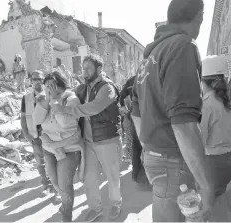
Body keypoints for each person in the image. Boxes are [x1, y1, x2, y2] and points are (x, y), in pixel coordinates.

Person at [131, 0, 215, 222]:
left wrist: (151, 147)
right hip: (171, 160)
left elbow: (135, 112)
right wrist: (207, 186)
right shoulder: (183, 45)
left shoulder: (149, 57)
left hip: (154, 156)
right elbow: (184, 124)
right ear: (199, 17)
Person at [52, 54, 123, 221]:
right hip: (89, 142)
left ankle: (115, 204)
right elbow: (68, 96)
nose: (84, 72)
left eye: (88, 68)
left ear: (99, 69)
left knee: (112, 176)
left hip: (107, 140)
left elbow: (94, 108)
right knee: (90, 178)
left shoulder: (108, 88)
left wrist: (65, 110)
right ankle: (95, 208)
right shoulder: (83, 89)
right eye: (83, 69)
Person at [33, 70, 84, 222]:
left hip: (69, 149)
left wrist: (55, 101)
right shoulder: (45, 99)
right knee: (55, 182)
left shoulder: (71, 99)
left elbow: (65, 123)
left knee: (64, 184)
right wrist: (44, 102)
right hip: (49, 149)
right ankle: (64, 203)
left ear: (61, 85)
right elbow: (36, 120)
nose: (49, 89)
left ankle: (67, 214)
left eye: (52, 85)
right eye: (46, 86)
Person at [200, 55, 231, 197]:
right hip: (228, 160)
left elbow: (200, 141)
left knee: (209, 207)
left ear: (203, 82)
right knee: (218, 199)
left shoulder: (206, 105)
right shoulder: (228, 103)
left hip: (212, 164)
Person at [20, 70, 55, 196]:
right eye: (34, 79)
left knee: (52, 159)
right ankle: (46, 184)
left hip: (49, 134)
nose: (38, 81)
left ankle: (55, 186)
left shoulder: (50, 95)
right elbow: (23, 118)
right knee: (40, 162)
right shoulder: (26, 98)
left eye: (40, 79)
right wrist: (26, 134)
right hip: (35, 135)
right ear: (30, 81)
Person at [119, 76, 150, 191]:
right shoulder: (150, 74)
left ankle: (137, 176)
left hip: (135, 116)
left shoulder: (131, 80)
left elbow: (120, 96)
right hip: (147, 117)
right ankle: (146, 179)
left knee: (137, 147)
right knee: (146, 148)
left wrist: (126, 111)